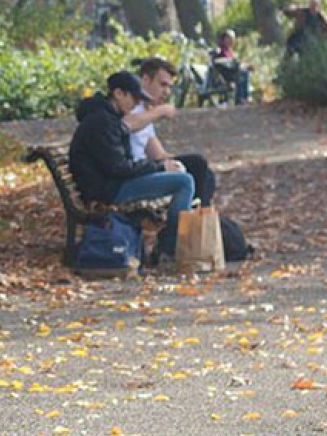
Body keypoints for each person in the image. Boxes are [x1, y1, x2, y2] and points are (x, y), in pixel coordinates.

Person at [69, 72, 196, 262]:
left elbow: (120, 165)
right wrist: (160, 168)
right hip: (108, 189)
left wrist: (159, 166)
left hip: (112, 183)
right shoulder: (101, 122)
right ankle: (169, 249)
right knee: (184, 182)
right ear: (118, 93)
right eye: (134, 98)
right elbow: (118, 168)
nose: (136, 105)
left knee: (185, 174)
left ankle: (170, 247)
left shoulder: (107, 118)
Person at [123, 57, 219, 206]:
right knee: (197, 166)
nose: (167, 92)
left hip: (147, 168)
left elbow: (158, 154)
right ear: (145, 80)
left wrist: (174, 163)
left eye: (169, 87)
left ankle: (198, 215)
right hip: (132, 174)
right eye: (162, 85)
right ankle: (190, 218)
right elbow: (125, 125)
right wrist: (159, 111)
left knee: (204, 172)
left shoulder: (146, 112)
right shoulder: (131, 107)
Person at [212, 29, 251, 104]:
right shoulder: (220, 51)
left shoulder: (231, 51)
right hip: (224, 76)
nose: (230, 41)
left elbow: (235, 63)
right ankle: (240, 99)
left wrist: (244, 65)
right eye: (228, 38)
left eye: (232, 39)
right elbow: (219, 63)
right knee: (241, 73)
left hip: (233, 73)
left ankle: (244, 97)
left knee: (245, 72)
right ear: (223, 39)